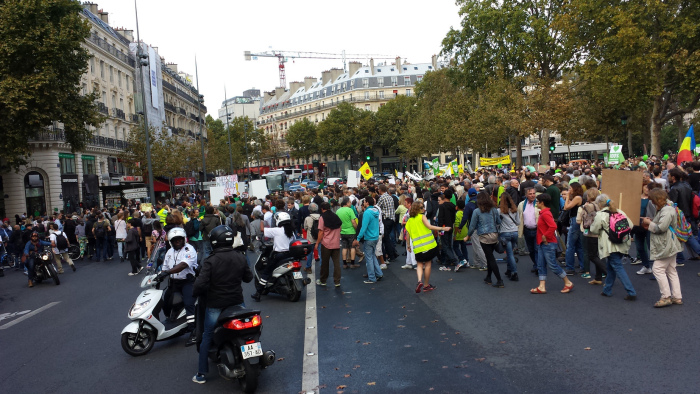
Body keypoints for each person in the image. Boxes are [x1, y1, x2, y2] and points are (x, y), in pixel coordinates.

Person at [192, 225, 253, 384]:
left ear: (214, 241)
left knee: (207, 335)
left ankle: (201, 374)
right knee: (247, 330)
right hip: (237, 302)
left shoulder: (210, 261)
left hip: (215, 305)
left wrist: (194, 293)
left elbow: (200, 284)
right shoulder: (239, 256)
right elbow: (248, 278)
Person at [590, 194, 637, 300]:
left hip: (610, 245)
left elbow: (594, 229)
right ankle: (607, 290)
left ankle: (631, 291)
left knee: (617, 266)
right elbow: (631, 225)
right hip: (623, 243)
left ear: (599, 204)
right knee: (612, 267)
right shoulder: (619, 211)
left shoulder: (600, 215)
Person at [643, 189, 683, 307]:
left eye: (652, 200)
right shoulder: (667, 208)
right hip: (671, 243)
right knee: (671, 270)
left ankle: (666, 296)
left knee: (658, 269)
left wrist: (648, 223)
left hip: (666, 244)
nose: (652, 202)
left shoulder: (666, 210)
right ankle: (677, 296)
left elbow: (661, 228)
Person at [158, 227, 198, 345]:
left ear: (184, 239)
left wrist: (167, 272)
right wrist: (158, 275)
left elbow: (182, 265)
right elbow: (164, 267)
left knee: (189, 304)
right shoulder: (169, 252)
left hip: (187, 282)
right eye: (175, 240)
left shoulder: (189, 250)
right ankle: (173, 319)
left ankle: (194, 331)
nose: (178, 242)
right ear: (171, 241)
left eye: (180, 239)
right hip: (174, 283)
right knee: (165, 303)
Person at [529, 194, 574, 294]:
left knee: (552, 265)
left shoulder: (545, 214)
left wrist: (545, 236)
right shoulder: (544, 213)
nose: (536, 202)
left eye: (537, 201)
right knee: (541, 264)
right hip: (543, 242)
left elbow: (553, 226)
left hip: (547, 243)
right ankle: (542, 286)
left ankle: (568, 282)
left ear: (542, 202)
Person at [251, 212, 295, 301]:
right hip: (290, 254)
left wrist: (262, 220)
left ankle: (258, 293)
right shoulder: (291, 232)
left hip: (278, 255)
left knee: (266, 272)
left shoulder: (277, 230)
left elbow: (262, 229)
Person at [466, 192, 505, 288]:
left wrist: (468, 236)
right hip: (494, 234)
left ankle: (499, 280)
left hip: (484, 236)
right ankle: (488, 277)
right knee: (489, 257)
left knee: (490, 258)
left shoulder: (477, 211)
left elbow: (472, 226)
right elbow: (499, 222)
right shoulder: (494, 209)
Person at [407, 201, 447, 293]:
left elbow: (408, 234)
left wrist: (408, 245)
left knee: (419, 264)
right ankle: (426, 285)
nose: (424, 209)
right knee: (428, 264)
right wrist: (442, 228)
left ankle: (419, 281)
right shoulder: (422, 217)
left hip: (417, 247)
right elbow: (429, 226)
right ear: (417, 209)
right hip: (428, 245)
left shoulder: (409, 220)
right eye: (422, 207)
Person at [579, 188, 606, 284]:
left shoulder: (588, 206)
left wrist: (583, 209)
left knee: (592, 255)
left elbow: (582, 218)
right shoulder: (601, 205)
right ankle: (598, 277)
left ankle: (606, 271)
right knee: (598, 254)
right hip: (601, 232)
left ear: (589, 196)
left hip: (591, 233)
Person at [355, 196, 383, 284]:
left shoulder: (367, 213)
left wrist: (358, 238)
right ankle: (378, 273)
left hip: (369, 237)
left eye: (364, 202)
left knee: (369, 258)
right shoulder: (376, 211)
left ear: (367, 203)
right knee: (373, 256)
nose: (363, 203)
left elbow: (364, 227)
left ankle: (372, 277)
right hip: (375, 237)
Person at [316, 202, 342, 287]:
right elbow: (340, 228)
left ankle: (323, 280)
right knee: (336, 263)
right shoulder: (335, 216)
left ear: (322, 209)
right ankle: (337, 281)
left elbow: (321, 231)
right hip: (336, 243)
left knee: (325, 263)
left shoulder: (322, 218)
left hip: (326, 243)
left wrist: (317, 243)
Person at [563, 182, 585, 275]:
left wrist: (567, 196)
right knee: (579, 245)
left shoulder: (577, 198)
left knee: (570, 245)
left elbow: (566, 207)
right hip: (578, 222)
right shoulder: (579, 197)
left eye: (570, 188)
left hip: (575, 221)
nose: (569, 190)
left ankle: (570, 267)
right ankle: (583, 266)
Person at [498, 193, 520, 281]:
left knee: (509, 253)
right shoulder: (515, 209)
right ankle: (509, 269)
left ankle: (514, 272)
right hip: (514, 232)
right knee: (510, 252)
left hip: (505, 233)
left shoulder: (499, 211)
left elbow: (497, 223)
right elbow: (518, 222)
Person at [336, 197, 358, 269]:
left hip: (342, 231)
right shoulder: (350, 210)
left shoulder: (338, 211)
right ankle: (352, 263)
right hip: (351, 231)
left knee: (344, 247)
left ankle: (344, 263)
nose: (350, 204)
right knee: (352, 247)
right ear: (347, 203)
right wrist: (356, 229)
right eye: (350, 202)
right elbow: (353, 222)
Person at [303, 203, 321, 273]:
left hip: (310, 238)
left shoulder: (307, 218)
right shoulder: (321, 217)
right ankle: (322, 268)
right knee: (321, 253)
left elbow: (305, 228)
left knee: (309, 253)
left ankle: (308, 267)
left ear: (310, 210)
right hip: (319, 238)